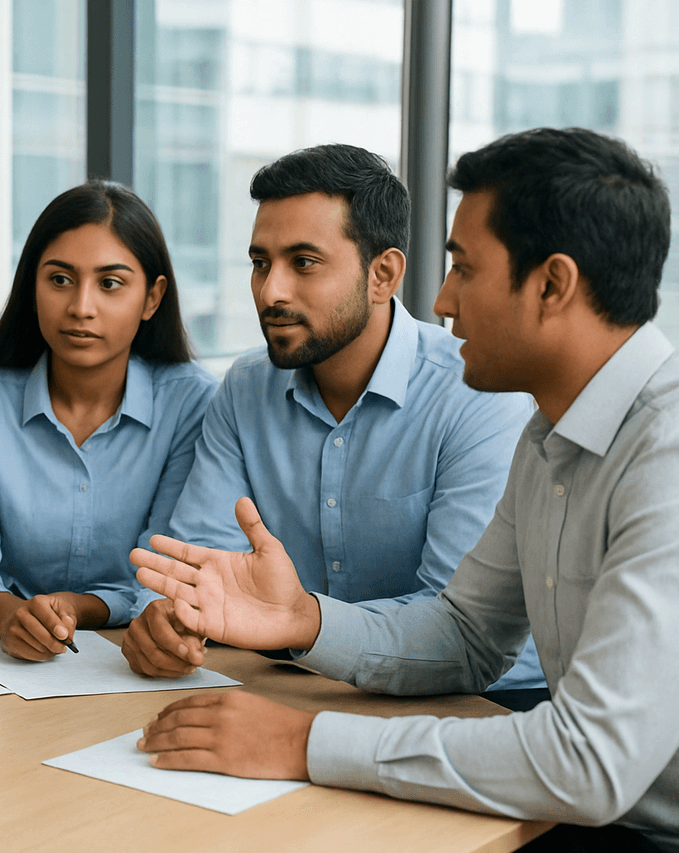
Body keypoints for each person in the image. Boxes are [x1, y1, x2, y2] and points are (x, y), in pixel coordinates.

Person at [135, 128, 677, 851]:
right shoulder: (549, 435)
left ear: (551, 284)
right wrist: (304, 620)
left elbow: (588, 761)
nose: (443, 299)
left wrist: (308, 740)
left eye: (464, 268)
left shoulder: (665, 452)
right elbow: (467, 634)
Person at [120, 143, 544, 700]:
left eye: (304, 263)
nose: (271, 291)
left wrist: (299, 621)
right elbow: (196, 565)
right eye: (260, 263)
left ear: (382, 275)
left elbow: (455, 622)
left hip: (480, 702)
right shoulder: (246, 388)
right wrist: (168, 619)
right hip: (291, 685)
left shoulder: (478, 397)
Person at [0, 180, 217, 661]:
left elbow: (162, 575)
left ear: (152, 298)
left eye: (110, 284)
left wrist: (74, 607)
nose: (80, 307)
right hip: (0, 659)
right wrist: (13, 616)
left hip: (128, 659)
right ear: (32, 286)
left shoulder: (191, 404)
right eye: (60, 279)